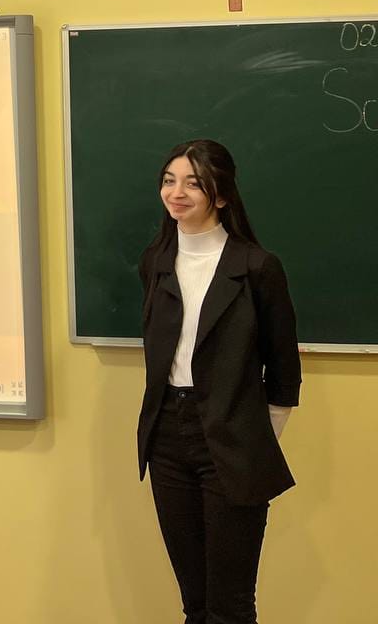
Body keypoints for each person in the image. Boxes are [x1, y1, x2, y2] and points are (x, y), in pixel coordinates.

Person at [136, 139, 301, 624]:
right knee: (195, 603)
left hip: (234, 437)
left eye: (193, 183)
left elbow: (284, 372)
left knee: (229, 606)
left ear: (222, 195)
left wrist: (255, 440)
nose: (177, 193)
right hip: (167, 438)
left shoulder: (256, 267)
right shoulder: (155, 262)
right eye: (169, 181)